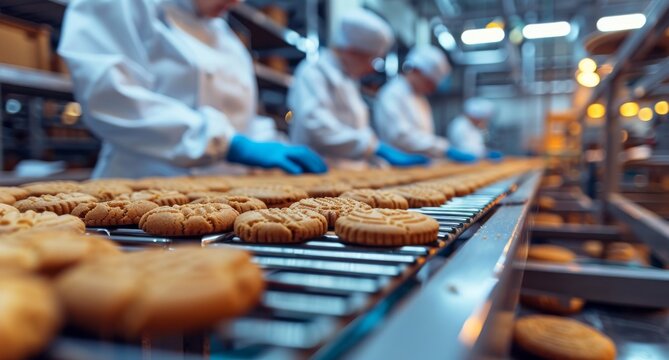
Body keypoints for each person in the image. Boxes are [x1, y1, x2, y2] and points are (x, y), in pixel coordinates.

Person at [58, 0, 327, 178]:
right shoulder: (121, 5)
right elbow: (111, 99)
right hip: (143, 189)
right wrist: (230, 144)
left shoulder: (226, 37)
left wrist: (270, 145)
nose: (235, 3)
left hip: (226, 202)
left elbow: (239, 118)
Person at [288, 9, 429, 169]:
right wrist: (373, 147)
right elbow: (317, 127)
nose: (372, 68)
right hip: (319, 170)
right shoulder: (313, 72)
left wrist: (377, 160)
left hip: (350, 173)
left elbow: (357, 129)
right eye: (371, 60)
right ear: (351, 51)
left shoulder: (349, 81)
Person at [374, 45, 477, 163]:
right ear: (417, 71)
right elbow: (400, 136)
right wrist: (443, 148)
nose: (430, 90)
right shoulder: (392, 93)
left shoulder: (421, 99)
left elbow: (425, 135)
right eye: (429, 83)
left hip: (421, 164)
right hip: (397, 165)